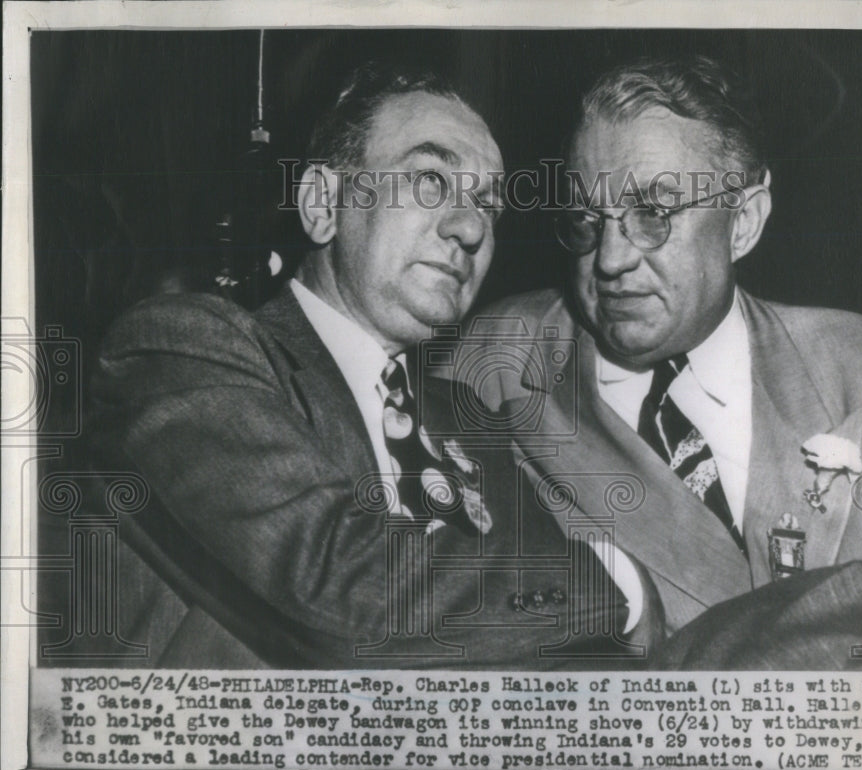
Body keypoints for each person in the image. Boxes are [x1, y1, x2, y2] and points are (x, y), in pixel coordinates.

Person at [88, 61, 665, 669]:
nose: (470, 227)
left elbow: (532, 629)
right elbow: (338, 593)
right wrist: (619, 582)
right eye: (429, 181)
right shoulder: (184, 351)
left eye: (489, 208)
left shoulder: (471, 424)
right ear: (322, 203)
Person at [461, 56, 862, 668]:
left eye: (653, 216)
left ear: (743, 224)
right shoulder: (497, 366)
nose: (610, 259)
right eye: (587, 218)